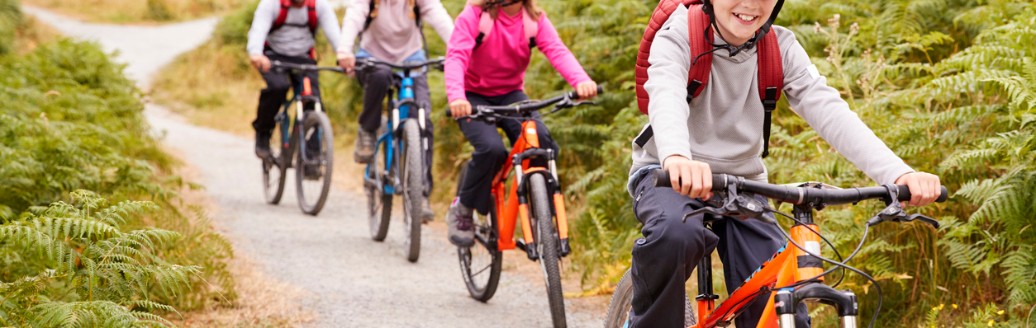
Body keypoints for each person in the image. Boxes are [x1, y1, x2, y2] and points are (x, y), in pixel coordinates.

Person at [626, 0, 943, 327]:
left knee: (775, 295)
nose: (750, 4)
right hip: (668, 174)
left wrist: (899, 173)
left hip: (741, 185)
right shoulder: (679, 34)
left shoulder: (779, 47)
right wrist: (677, 156)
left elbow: (829, 110)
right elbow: (665, 93)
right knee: (675, 235)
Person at [443, 0, 598, 247]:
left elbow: (557, 50)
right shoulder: (475, 16)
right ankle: (463, 209)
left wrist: (581, 81)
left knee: (543, 145)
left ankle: (544, 220)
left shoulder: (533, 20)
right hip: (471, 97)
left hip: (511, 94)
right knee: (491, 150)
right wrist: (457, 96)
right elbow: (456, 56)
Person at [338, 0, 454, 221]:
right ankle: (368, 130)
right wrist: (344, 50)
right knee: (380, 76)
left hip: (411, 59)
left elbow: (439, 17)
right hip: (372, 58)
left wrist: (459, 49)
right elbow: (354, 17)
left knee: (423, 119)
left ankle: (420, 193)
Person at [247, 0, 342, 158]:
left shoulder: (319, 6)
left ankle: (312, 157)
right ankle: (263, 133)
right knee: (278, 87)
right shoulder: (271, 4)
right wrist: (256, 53)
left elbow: (335, 35)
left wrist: (343, 54)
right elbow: (258, 30)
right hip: (273, 57)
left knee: (313, 101)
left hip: (303, 58)